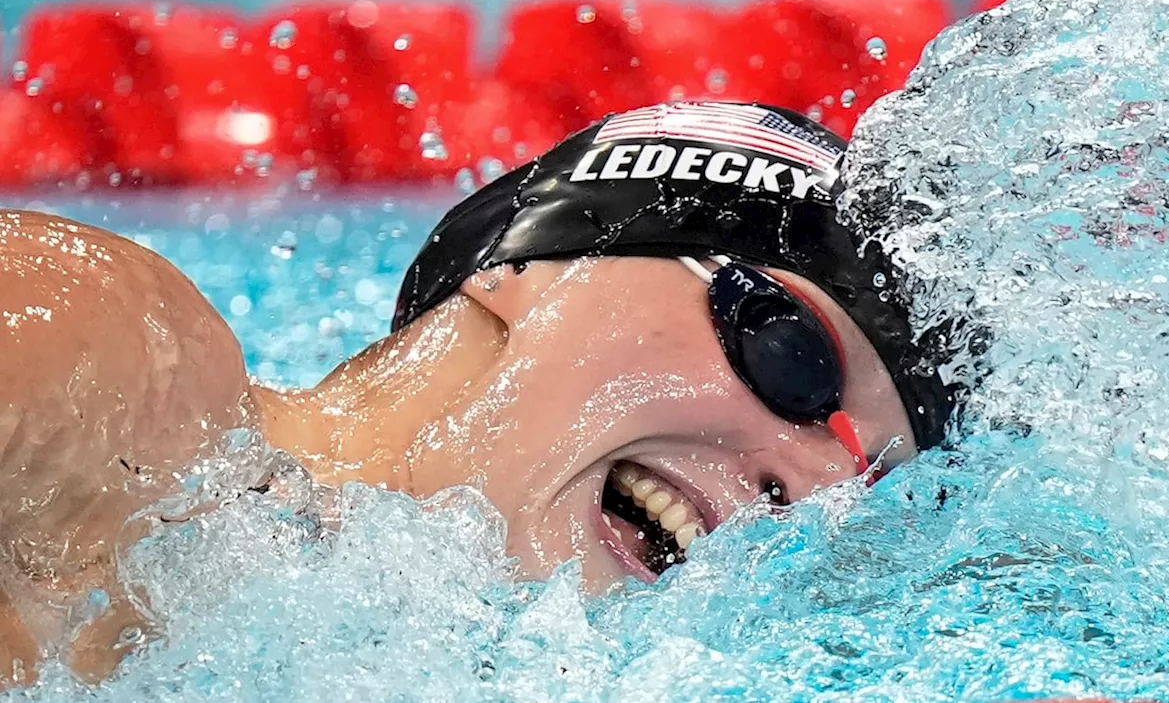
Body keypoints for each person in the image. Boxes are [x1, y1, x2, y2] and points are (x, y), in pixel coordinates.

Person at [0, 101, 960, 686]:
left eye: (868, 489)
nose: (818, 490)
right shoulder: (129, 370)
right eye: (797, 359)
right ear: (529, 265)